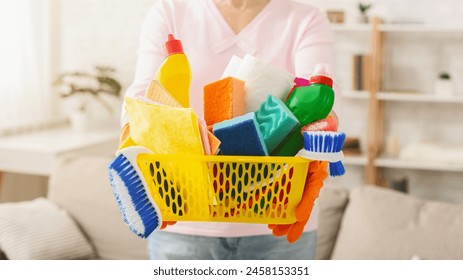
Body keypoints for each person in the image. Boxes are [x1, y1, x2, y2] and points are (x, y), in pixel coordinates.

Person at [122, 0, 337, 260]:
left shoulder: (305, 18)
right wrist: (130, 142)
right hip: (184, 214)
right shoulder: (170, 11)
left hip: (277, 213)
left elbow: (320, 101)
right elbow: (144, 93)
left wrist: (321, 143)